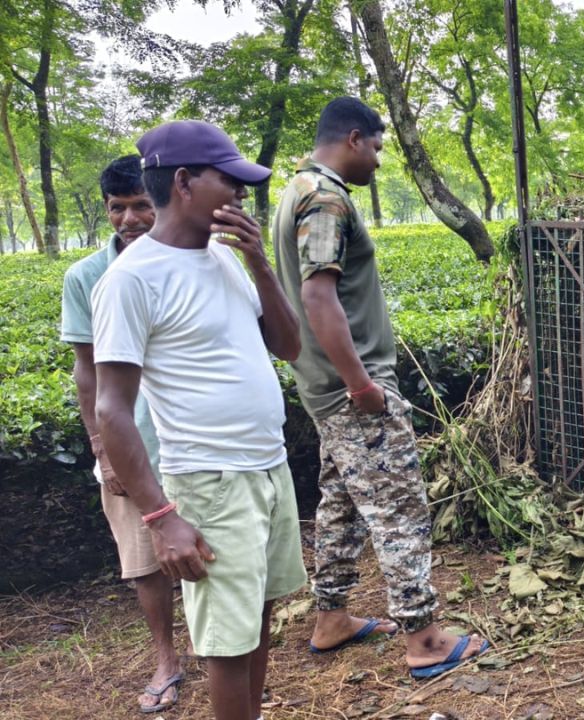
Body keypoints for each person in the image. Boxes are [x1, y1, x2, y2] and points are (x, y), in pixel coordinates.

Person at [93, 120, 307, 720]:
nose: (241, 194)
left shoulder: (223, 257)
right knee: (226, 644)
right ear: (184, 182)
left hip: (267, 469)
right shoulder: (132, 279)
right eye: (230, 181)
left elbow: (288, 348)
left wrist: (260, 263)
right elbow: (112, 406)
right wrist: (162, 518)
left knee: (258, 618)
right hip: (211, 483)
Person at [272, 96, 488, 678]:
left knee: (341, 505)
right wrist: (361, 383)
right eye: (378, 147)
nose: (379, 160)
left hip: (323, 388)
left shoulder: (295, 191)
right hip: (351, 389)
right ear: (353, 138)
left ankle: (331, 619)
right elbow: (318, 296)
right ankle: (424, 640)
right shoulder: (324, 198)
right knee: (400, 510)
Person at [61, 155, 183, 714]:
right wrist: (104, 453)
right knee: (144, 561)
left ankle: (222, 650)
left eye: (141, 206)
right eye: (118, 209)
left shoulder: (188, 259)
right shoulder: (87, 276)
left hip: (190, 437)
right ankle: (167, 659)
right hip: (131, 442)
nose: (130, 219)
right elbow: (87, 372)